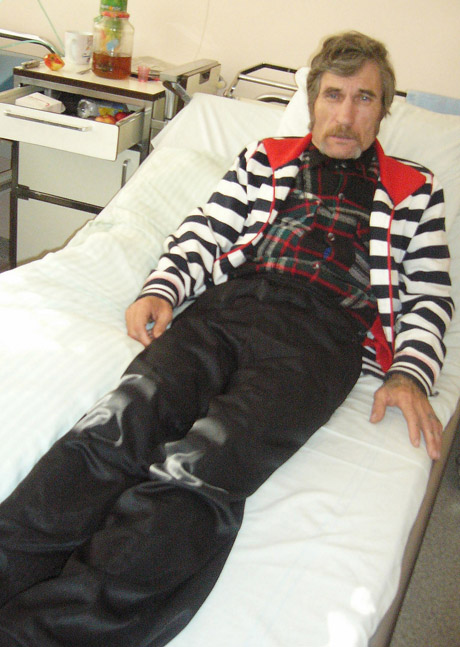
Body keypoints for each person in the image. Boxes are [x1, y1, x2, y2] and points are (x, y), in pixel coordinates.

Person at [0, 31, 453, 647]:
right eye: (333, 95)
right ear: (313, 100)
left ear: (383, 108)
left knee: (202, 472)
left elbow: (430, 293)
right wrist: (163, 289)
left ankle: (45, 633)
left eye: (364, 98)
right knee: (114, 428)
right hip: (228, 308)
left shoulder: (415, 189)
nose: (346, 115)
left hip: (322, 338)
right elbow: (206, 232)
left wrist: (408, 372)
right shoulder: (266, 157)